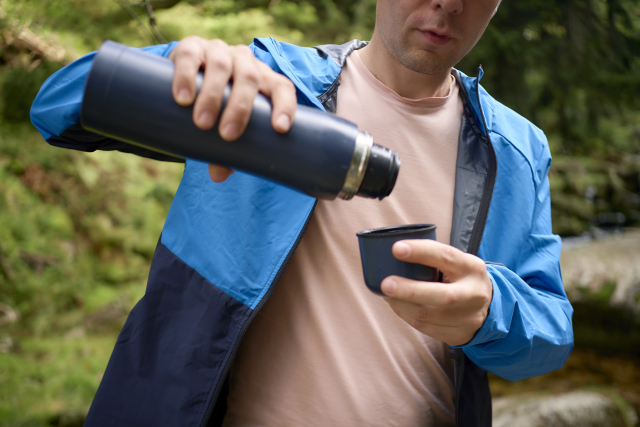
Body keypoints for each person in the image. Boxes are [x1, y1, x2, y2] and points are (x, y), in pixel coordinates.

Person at [30, 0, 574, 426]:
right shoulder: (270, 83)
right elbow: (56, 105)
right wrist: (178, 67)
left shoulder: (517, 149)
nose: (448, 3)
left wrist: (491, 310)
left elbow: (551, 335)